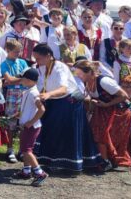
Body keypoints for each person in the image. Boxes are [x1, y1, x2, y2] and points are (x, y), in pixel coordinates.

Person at [29, 43, 102, 171]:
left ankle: (69, 164)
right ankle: (51, 161)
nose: (36, 61)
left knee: (65, 133)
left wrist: (48, 94)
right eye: (35, 58)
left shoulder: (60, 67)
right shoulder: (40, 67)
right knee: (52, 131)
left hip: (70, 102)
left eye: (38, 58)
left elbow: (63, 89)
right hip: (54, 101)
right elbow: (40, 85)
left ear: (48, 56)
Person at [75, 60, 131, 170]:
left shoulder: (103, 81)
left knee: (102, 134)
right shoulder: (88, 82)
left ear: (89, 72)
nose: (78, 76)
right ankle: (102, 159)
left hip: (119, 112)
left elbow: (124, 96)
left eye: (80, 74)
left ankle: (108, 161)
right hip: (103, 111)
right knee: (94, 132)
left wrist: (107, 104)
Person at [11, 68, 48, 186]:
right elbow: (29, 108)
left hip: (31, 127)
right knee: (24, 149)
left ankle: (40, 173)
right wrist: (19, 114)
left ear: (29, 80)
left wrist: (31, 122)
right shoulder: (28, 91)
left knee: (27, 150)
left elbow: (42, 109)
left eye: (24, 78)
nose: (22, 80)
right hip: (26, 125)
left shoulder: (33, 93)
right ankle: (26, 171)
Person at [0, 40, 29, 163]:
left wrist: (14, 80)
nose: (18, 54)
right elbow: (9, 80)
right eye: (15, 51)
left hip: (23, 93)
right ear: (8, 50)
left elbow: (28, 78)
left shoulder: (22, 62)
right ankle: (10, 149)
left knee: (23, 122)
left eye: (19, 51)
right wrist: (19, 79)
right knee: (11, 122)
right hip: (12, 94)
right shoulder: (4, 64)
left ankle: (22, 150)